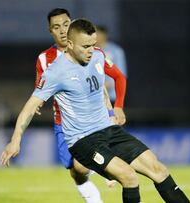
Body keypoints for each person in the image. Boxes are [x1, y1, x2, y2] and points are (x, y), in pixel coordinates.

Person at [1, 19, 190, 203]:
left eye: (93, 44)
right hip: (83, 140)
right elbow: (29, 108)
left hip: (109, 130)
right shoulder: (56, 72)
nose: (91, 50)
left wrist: (118, 107)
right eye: (85, 46)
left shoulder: (99, 55)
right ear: (70, 44)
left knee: (159, 170)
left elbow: (117, 78)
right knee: (129, 176)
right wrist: (15, 140)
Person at [34, 8, 125, 202]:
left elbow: (100, 86)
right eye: (56, 27)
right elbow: (40, 88)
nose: (62, 30)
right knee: (75, 170)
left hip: (93, 120)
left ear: (72, 24)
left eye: (66, 25)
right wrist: (37, 103)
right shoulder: (45, 59)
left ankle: (107, 174)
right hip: (64, 122)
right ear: (50, 31)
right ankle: (98, 179)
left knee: (82, 164)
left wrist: (111, 111)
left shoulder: (87, 50)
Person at [96, 25, 128, 103]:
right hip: (95, 97)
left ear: (104, 35)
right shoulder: (92, 51)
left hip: (112, 96)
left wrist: (108, 84)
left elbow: (121, 74)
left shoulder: (116, 50)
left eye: (97, 33)